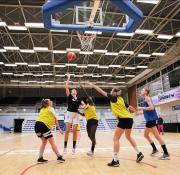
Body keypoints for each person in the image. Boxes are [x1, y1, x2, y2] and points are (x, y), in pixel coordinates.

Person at [86, 81, 144, 167]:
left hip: (123, 119)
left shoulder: (113, 98)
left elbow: (101, 91)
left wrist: (92, 85)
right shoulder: (121, 99)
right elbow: (129, 107)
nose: (110, 92)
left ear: (113, 92)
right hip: (129, 119)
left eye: (111, 90)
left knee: (116, 139)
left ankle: (116, 160)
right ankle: (139, 153)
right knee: (128, 136)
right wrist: (137, 111)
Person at [136, 88, 170, 160]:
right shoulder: (146, 98)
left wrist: (141, 107)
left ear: (146, 92)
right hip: (149, 120)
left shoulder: (147, 98)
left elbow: (151, 108)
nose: (141, 91)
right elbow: (148, 110)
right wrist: (140, 112)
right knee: (146, 135)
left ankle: (166, 153)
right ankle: (155, 149)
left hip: (151, 120)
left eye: (142, 90)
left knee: (157, 136)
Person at [34, 99, 65, 163]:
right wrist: (59, 129)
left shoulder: (42, 109)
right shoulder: (51, 108)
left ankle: (40, 158)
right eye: (50, 100)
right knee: (52, 142)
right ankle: (59, 157)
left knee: (44, 142)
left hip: (37, 126)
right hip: (43, 125)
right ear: (48, 103)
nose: (51, 101)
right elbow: (55, 119)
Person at [64, 74, 82, 154]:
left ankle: (73, 148)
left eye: (75, 90)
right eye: (72, 91)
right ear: (71, 93)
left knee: (75, 131)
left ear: (76, 93)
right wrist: (68, 78)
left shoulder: (79, 99)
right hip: (69, 114)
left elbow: (83, 106)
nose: (74, 91)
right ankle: (65, 147)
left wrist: (80, 112)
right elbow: (66, 87)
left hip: (76, 115)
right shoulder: (69, 96)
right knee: (67, 130)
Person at [80, 84, 99, 157]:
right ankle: (94, 142)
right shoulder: (86, 106)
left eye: (90, 98)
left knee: (93, 136)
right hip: (88, 121)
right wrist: (77, 111)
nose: (88, 98)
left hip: (94, 120)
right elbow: (84, 115)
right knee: (89, 135)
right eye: (88, 98)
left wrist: (83, 88)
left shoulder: (92, 104)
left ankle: (92, 151)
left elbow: (86, 95)